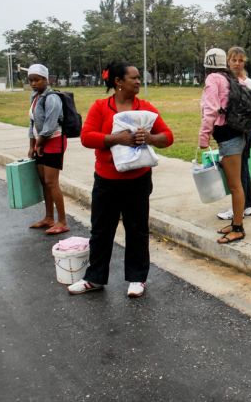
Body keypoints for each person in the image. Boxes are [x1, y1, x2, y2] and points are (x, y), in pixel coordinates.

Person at [67, 61, 174, 297]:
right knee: (101, 230)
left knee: (137, 230)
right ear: (118, 82)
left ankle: (137, 279)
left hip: (138, 180)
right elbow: (86, 137)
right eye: (134, 78)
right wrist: (116, 138)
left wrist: (150, 138)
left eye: (139, 77)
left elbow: (168, 137)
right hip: (107, 181)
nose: (138, 81)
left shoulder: (145, 108)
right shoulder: (100, 107)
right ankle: (94, 279)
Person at [199, 48, 247, 244]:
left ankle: (238, 228)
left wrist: (203, 136)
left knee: (235, 186)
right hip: (235, 134)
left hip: (229, 137)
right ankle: (236, 222)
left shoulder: (213, 79)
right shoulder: (232, 79)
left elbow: (210, 110)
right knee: (234, 184)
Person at [26, 64, 69, 235]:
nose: (34, 83)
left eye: (37, 80)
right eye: (31, 80)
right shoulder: (34, 97)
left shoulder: (52, 98)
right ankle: (49, 217)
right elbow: (31, 123)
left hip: (54, 141)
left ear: (46, 79)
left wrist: (40, 143)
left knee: (52, 182)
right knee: (44, 182)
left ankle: (62, 221)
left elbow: (51, 124)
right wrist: (32, 145)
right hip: (40, 142)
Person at [216, 46, 251, 221]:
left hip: (242, 131)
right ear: (228, 61)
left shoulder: (247, 83)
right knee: (242, 168)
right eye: (234, 60)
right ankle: (247, 204)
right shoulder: (225, 79)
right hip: (233, 130)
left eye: (240, 60)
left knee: (239, 170)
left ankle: (239, 208)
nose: (237, 64)